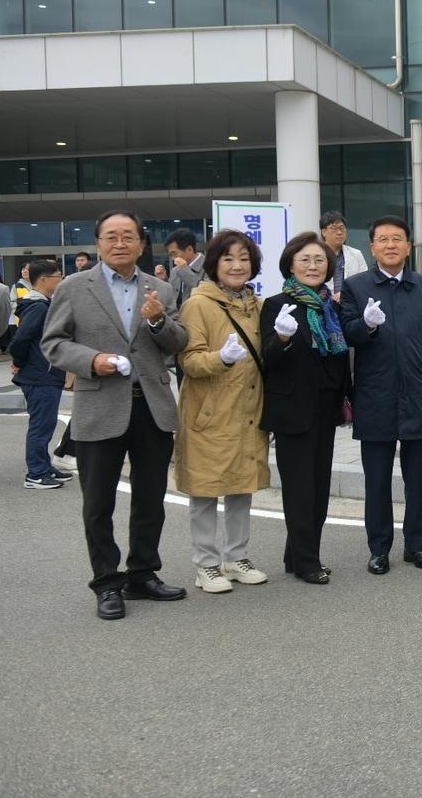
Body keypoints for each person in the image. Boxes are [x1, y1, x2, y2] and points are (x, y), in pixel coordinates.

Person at [41, 210, 190, 620]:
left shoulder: (158, 287)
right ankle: (107, 582)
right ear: (99, 243)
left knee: (150, 499)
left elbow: (178, 342)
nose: (120, 243)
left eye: (128, 236)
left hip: (152, 407)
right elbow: (53, 343)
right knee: (98, 503)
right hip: (100, 402)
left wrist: (158, 320)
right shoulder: (74, 287)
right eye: (111, 236)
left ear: (142, 244)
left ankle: (143, 573)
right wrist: (94, 360)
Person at [340, 215, 422, 575]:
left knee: (417, 478)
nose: (391, 245)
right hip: (375, 394)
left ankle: (416, 546)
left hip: (419, 394)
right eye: (383, 239)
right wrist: (367, 325)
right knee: (377, 479)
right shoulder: (356, 287)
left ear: (408, 245)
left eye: (397, 239)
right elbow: (347, 335)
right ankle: (379, 548)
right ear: (372, 247)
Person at [175, 229, 271, 594]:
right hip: (210, 413)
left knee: (241, 487)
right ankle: (206, 564)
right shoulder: (198, 304)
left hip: (248, 409)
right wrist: (222, 359)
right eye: (229, 258)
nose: (237, 265)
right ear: (214, 263)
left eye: (244, 259)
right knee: (205, 489)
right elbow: (189, 360)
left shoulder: (257, 304)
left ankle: (236, 556)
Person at [261, 232, 352, 585]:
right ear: (291, 265)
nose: (313, 266)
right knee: (301, 490)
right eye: (305, 260)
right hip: (292, 411)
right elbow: (267, 359)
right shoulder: (276, 304)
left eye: (319, 260)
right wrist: (281, 338)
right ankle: (308, 561)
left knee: (319, 487)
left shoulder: (332, 306)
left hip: (326, 408)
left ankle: (296, 553)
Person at [10, 260, 68, 489]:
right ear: (44, 279)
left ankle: (43, 466)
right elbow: (20, 339)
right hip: (39, 375)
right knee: (41, 426)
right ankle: (35, 474)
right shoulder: (38, 307)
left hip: (44, 374)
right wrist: (19, 361)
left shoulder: (42, 305)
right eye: (58, 276)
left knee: (46, 424)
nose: (61, 280)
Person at [320, 211, 369, 299]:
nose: (339, 232)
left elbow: (364, 281)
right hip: (322, 304)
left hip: (350, 303)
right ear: (323, 232)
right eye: (334, 228)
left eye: (342, 228)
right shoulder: (316, 254)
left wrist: (344, 293)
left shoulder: (356, 254)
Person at [165, 228, 205, 308]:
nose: (173, 259)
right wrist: (163, 279)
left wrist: (184, 270)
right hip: (176, 318)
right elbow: (170, 295)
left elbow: (206, 292)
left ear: (189, 249)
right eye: (170, 255)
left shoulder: (210, 266)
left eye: (174, 253)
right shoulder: (175, 270)